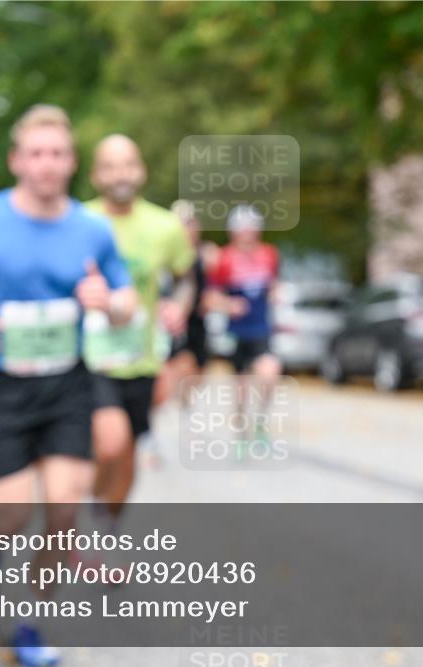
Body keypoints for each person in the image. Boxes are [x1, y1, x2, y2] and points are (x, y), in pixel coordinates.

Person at [0, 104, 135, 666]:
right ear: (17, 160)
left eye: (58, 153)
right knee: (11, 514)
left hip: (69, 383)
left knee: (63, 513)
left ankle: (29, 625)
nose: (47, 163)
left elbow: (126, 299)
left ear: (72, 163)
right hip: (5, 387)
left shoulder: (93, 229)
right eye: (36, 153)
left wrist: (109, 303)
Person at [84, 135, 196, 522]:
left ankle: (104, 522)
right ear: (96, 174)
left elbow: (185, 277)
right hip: (91, 358)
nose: (121, 174)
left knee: (127, 456)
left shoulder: (165, 226)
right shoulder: (79, 221)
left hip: (141, 358)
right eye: (111, 165)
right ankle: (87, 505)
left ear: (142, 170)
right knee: (110, 443)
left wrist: (177, 306)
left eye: (128, 164)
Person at [206, 205, 282, 456]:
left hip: (261, 328)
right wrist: (228, 304)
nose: (247, 234)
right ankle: (241, 431)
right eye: (242, 229)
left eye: (251, 229)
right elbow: (210, 298)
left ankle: (260, 421)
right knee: (241, 387)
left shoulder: (269, 255)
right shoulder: (224, 259)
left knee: (269, 373)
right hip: (236, 331)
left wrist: (275, 293)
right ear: (233, 233)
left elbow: (274, 284)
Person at [153, 199, 219, 406]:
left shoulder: (204, 254)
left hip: (196, 320)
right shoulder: (163, 252)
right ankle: (169, 404)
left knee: (197, 370)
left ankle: (182, 401)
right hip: (170, 321)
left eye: (189, 222)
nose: (185, 228)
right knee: (173, 366)